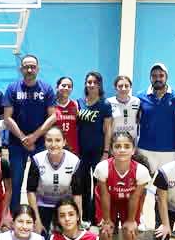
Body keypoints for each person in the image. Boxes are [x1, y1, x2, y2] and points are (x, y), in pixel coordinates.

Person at [93, 132, 151, 240]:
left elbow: (135, 197)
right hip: (108, 202)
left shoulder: (141, 171)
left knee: (130, 235)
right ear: (112, 150)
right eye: (118, 146)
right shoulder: (103, 168)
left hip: (129, 202)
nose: (122, 149)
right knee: (105, 234)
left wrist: (131, 221)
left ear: (133, 150)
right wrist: (106, 221)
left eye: (126, 146)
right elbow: (104, 195)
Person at [2, 54, 57, 211]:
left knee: (39, 182)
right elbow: (7, 117)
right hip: (16, 144)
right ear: (21, 69)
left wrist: (34, 137)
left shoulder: (47, 89)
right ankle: (14, 215)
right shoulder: (12, 88)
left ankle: (38, 216)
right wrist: (23, 138)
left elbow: (53, 116)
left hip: (39, 144)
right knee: (15, 182)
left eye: (33, 67)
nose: (29, 69)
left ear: (38, 69)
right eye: (26, 67)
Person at [26, 126, 84, 234]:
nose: (53, 144)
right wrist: (37, 220)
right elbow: (30, 192)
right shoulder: (37, 159)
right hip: (42, 205)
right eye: (49, 140)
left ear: (64, 142)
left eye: (57, 140)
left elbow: (77, 194)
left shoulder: (74, 161)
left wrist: (78, 220)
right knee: (42, 237)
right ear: (44, 142)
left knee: (65, 237)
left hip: (65, 206)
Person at [77, 71, 113, 222]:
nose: (91, 85)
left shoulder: (105, 105)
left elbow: (108, 130)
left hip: (98, 151)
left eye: (95, 82)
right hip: (82, 151)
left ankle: (97, 216)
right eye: (89, 82)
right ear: (85, 84)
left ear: (99, 85)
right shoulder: (79, 102)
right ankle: (85, 216)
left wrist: (106, 151)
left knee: (98, 185)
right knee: (83, 184)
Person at [136, 63, 175, 175]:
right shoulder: (140, 96)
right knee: (145, 182)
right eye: (154, 76)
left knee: (166, 183)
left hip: (170, 150)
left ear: (166, 77)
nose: (157, 79)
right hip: (145, 149)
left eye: (161, 75)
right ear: (150, 78)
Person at [107, 75, 140, 142]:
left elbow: (138, 120)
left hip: (131, 142)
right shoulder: (109, 102)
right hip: (115, 142)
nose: (123, 88)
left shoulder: (137, 101)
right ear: (115, 87)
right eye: (120, 86)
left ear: (130, 87)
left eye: (126, 86)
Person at [54, 76, 80, 154]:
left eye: (69, 86)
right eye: (63, 85)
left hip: (72, 149)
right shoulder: (51, 105)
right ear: (57, 87)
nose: (66, 88)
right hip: (55, 147)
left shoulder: (75, 105)